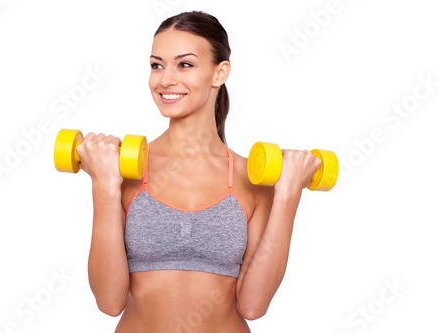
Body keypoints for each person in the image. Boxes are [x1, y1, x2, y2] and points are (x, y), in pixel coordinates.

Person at [78, 10, 321, 333]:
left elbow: (253, 305)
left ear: (219, 73)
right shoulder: (122, 169)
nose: (165, 79)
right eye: (156, 65)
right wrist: (105, 184)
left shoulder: (252, 178)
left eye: (185, 64)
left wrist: (288, 194)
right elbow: (109, 302)